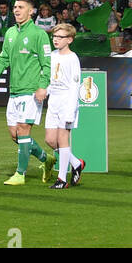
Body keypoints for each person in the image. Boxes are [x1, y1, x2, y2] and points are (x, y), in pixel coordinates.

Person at [0, 0, 55, 186]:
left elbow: (47, 64)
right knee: (15, 134)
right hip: (14, 91)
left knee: (23, 131)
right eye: (15, 7)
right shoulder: (10, 33)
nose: (16, 10)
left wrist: (42, 86)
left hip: (30, 91)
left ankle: (20, 174)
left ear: (31, 11)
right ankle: (46, 159)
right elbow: (4, 57)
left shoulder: (39, 35)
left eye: (21, 7)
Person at [45, 23, 85, 189]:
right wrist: (44, 91)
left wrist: (70, 109)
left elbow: (75, 85)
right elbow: (49, 78)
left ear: (69, 39)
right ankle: (76, 163)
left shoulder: (72, 58)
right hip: (53, 100)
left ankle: (62, 179)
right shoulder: (52, 55)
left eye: (60, 37)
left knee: (63, 139)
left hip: (67, 101)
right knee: (50, 140)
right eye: (54, 36)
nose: (56, 39)